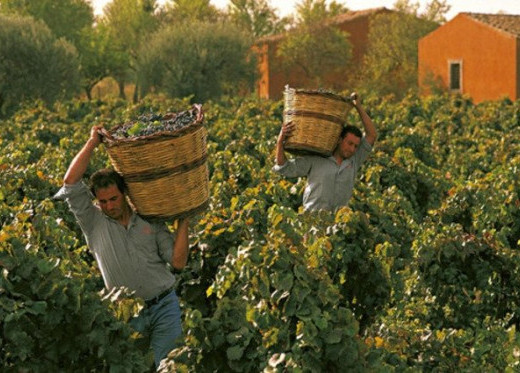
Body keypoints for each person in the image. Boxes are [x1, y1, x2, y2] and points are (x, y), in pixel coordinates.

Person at [54, 125, 190, 369]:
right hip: (127, 315)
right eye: (103, 201)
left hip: (164, 306)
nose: (109, 206)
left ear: (125, 194)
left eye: (114, 199)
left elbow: (178, 262)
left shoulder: (150, 218)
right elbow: (70, 182)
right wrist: (91, 143)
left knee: (169, 366)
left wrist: (185, 221)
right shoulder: (92, 221)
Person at [273, 93, 377, 211]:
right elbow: (284, 167)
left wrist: (358, 107)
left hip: (338, 224)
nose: (352, 149)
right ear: (339, 140)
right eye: (349, 144)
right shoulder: (317, 158)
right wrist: (280, 141)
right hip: (313, 220)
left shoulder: (354, 160)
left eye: (355, 146)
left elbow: (372, 135)